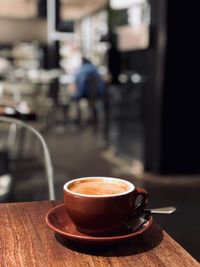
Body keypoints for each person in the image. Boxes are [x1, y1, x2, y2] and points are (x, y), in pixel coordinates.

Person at [72, 57, 105, 128]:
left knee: (76, 98)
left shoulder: (80, 69)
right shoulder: (94, 69)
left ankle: (79, 117)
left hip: (83, 93)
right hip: (96, 93)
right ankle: (95, 118)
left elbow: (75, 81)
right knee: (93, 103)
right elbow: (101, 80)